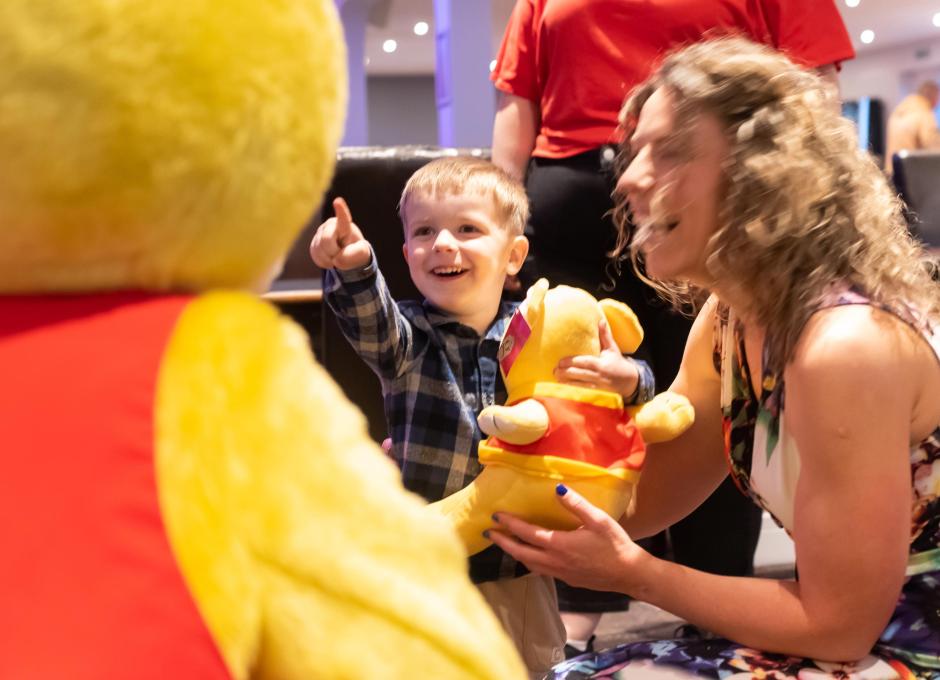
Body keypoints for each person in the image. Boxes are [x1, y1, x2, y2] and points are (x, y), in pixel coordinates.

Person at [487, 37, 940, 678]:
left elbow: (838, 626)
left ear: (766, 173)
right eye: (635, 151)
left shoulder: (846, 346)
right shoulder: (727, 322)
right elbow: (642, 501)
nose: (631, 177)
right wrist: (523, 445)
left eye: (668, 152)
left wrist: (636, 576)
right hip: (857, 641)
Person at [311, 156, 646, 678]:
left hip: (519, 562)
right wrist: (352, 264)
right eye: (425, 232)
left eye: (467, 228)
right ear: (407, 254)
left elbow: (607, 385)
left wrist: (630, 380)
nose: (443, 243)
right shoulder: (408, 337)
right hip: (428, 559)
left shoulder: (543, 329)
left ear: (513, 256)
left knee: (529, 664)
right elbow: (369, 320)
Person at [885, 80, 940, 175]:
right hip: (912, 174)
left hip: (892, 170)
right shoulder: (924, 113)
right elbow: (932, 147)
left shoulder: (898, 112)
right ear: (933, 96)